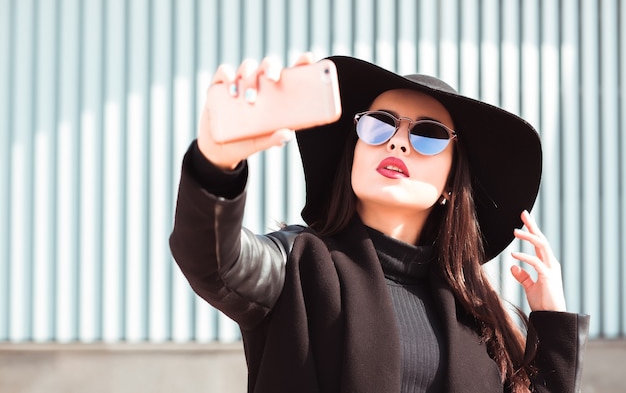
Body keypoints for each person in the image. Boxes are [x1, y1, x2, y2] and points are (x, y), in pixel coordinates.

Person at [169, 53, 589, 393]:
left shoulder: (479, 314)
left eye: (428, 135)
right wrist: (216, 163)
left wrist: (552, 322)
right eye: (377, 124)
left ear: (450, 184)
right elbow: (214, 260)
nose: (398, 140)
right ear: (354, 150)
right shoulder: (296, 265)